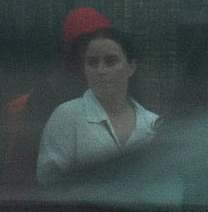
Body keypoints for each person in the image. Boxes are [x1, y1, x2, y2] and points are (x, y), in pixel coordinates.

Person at [36, 20, 157, 182]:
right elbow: (49, 182)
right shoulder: (67, 116)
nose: (101, 70)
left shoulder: (152, 124)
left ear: (131, 67)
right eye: (92, 62)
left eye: (110, 61)